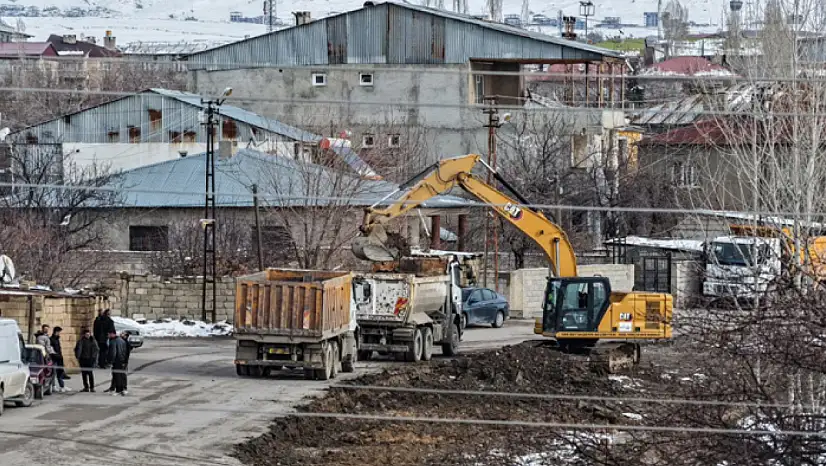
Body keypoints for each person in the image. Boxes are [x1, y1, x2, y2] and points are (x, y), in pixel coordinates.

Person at [74, 328, 99, 393]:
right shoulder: (81, 341)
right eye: (86, 334)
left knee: (90, 374)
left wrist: (94, 358)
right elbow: (77, 349)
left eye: (89, 334)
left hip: (90, 359)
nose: (88, 335)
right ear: (84, 335)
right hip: (83, 359)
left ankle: (92, 387)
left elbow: (96, 350)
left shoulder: (93, 341)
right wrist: (77, 356)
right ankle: (86, 387)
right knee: (84, 374)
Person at [107, 330, 129, 396]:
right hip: (121, 360)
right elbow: (125, 351)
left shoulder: (113, 341)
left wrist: (110, 361)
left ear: (112, 334)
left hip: (117, 361)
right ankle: (121, 389)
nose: (108, 336)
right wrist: (124, 360)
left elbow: (113, 353)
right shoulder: (122, 341)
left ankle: (119, 390)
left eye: (109, 334)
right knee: (120, 375)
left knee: (117, 376)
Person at [50, 326, 71, 393]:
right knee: (53, 373)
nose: (59, 333)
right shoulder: (52, 339)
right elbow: (51, 350)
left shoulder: (57, 339)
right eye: (59, 332)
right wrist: (56, 355)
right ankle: (53, 386)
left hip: (59, 358)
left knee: (60, 372)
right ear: (56, 332)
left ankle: (62, 386)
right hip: (54, 359)